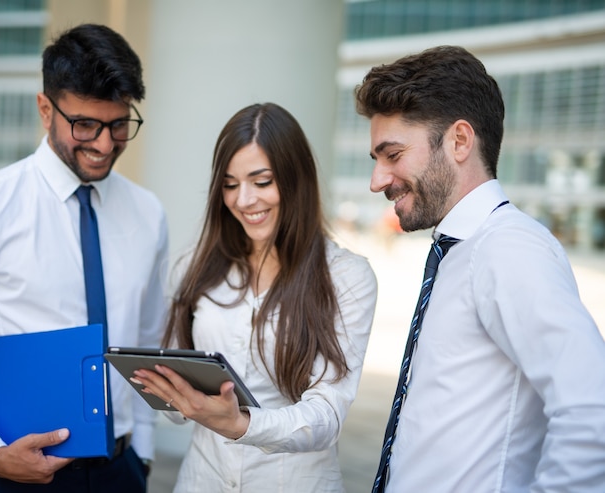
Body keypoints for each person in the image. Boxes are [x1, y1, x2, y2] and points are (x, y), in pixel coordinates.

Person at [355, 44, 605, 492]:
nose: (377, 180)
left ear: (459, 141)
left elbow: (593, 411)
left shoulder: (509, 248)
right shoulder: (460, 250)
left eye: (392, 155)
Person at [131, 102, 378, 492]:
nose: (243, 200)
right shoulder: (194, 268)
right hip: (201, 481)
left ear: (296, 179)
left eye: (261, 182)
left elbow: (326, 416)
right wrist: (165, 389)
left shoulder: (348, 276)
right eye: (230, 184)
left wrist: (239, 423)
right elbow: (177, 411)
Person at [0, 24, 168, 492]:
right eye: (85, 124)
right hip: (13, 472)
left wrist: (141, 452)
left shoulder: (149, 213)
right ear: (46, 110)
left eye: (119, 124)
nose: (105, 145)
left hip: (120, 472)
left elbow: (149, 341)